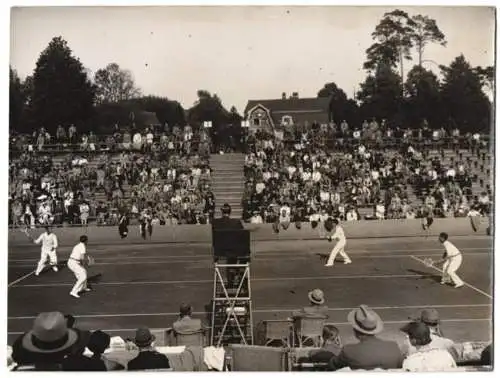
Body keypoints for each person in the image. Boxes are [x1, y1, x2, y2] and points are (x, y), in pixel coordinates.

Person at [330, 305, 403, 371]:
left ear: (355, 330)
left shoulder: (348, 351)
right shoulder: (393, 347)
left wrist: (336, 349)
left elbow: (332, 366)